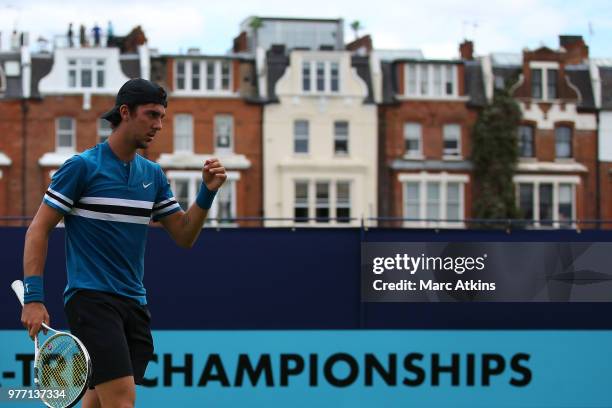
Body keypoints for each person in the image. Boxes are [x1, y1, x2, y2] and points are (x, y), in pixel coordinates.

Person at [20, 78, 227, 408]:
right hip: (91, 300)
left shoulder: (154, 176)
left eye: (162, 117)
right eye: (152, 115)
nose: (159, 125)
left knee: (98, 402)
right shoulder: (81, 168)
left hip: (133, 303)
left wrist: (208, 191)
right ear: (125, 112)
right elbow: (38, 230)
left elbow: (185, 235)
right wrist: (33, 298)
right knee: (121, 402)